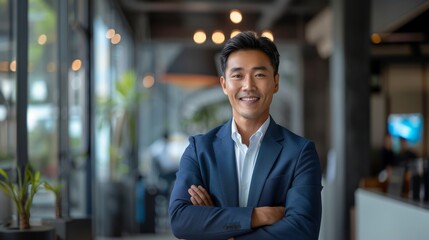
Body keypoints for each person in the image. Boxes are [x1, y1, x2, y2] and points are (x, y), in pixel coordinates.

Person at [168, 31, 322, 240]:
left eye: (259, 75)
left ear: (276, 82)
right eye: (238, 75)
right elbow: (180, 220)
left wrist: (220, 230)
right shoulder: (200, 149)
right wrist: (257, 216)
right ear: (224, 84)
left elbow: (303, 229)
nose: (248, 86)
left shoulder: (300, 153)